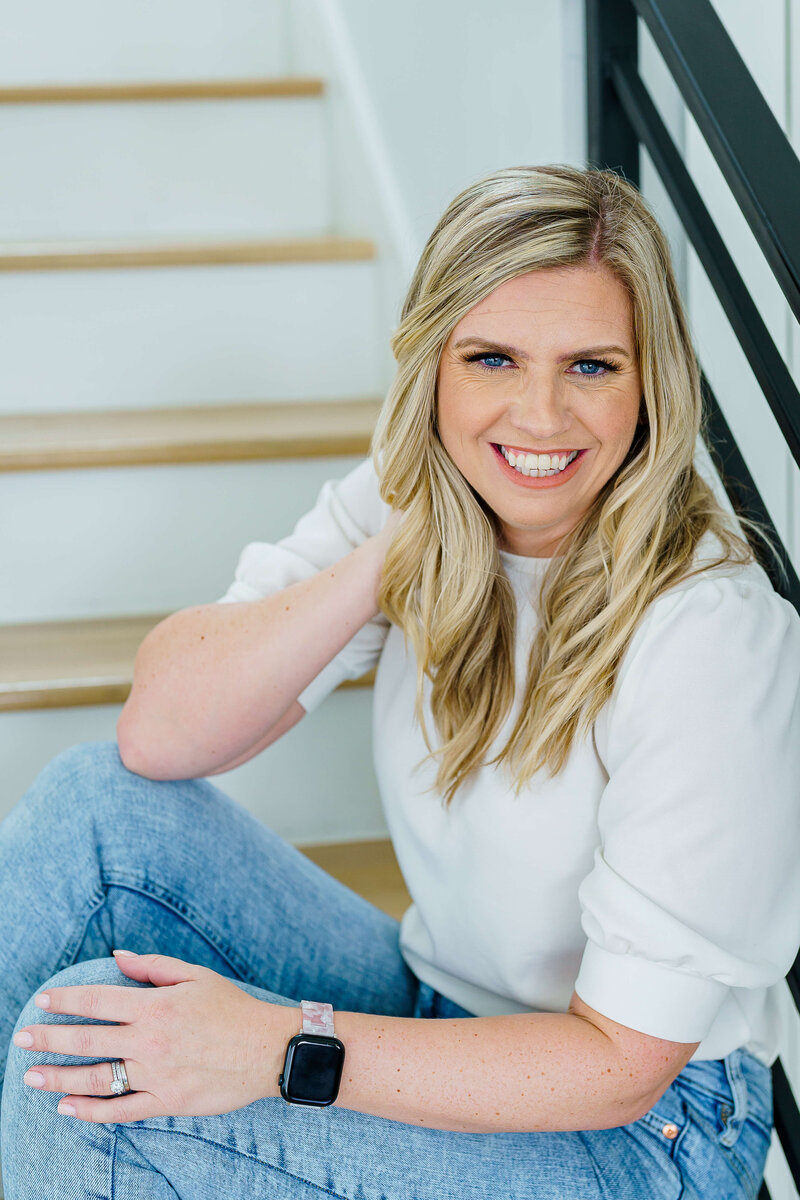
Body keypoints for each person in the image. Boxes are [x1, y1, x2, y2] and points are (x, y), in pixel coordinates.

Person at [1, 164, 798, 1200]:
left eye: (592, 366)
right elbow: (162, 736)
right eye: (491, 359)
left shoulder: (710, 635)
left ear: (651, 384)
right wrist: (400, 545)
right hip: (438, 1000)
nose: (540, 414)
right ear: (432, 369)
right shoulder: (413, 494)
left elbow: (618, 1065)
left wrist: (280, 1047)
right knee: (92, 811)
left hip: (651, 1129)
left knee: (92, 1088)